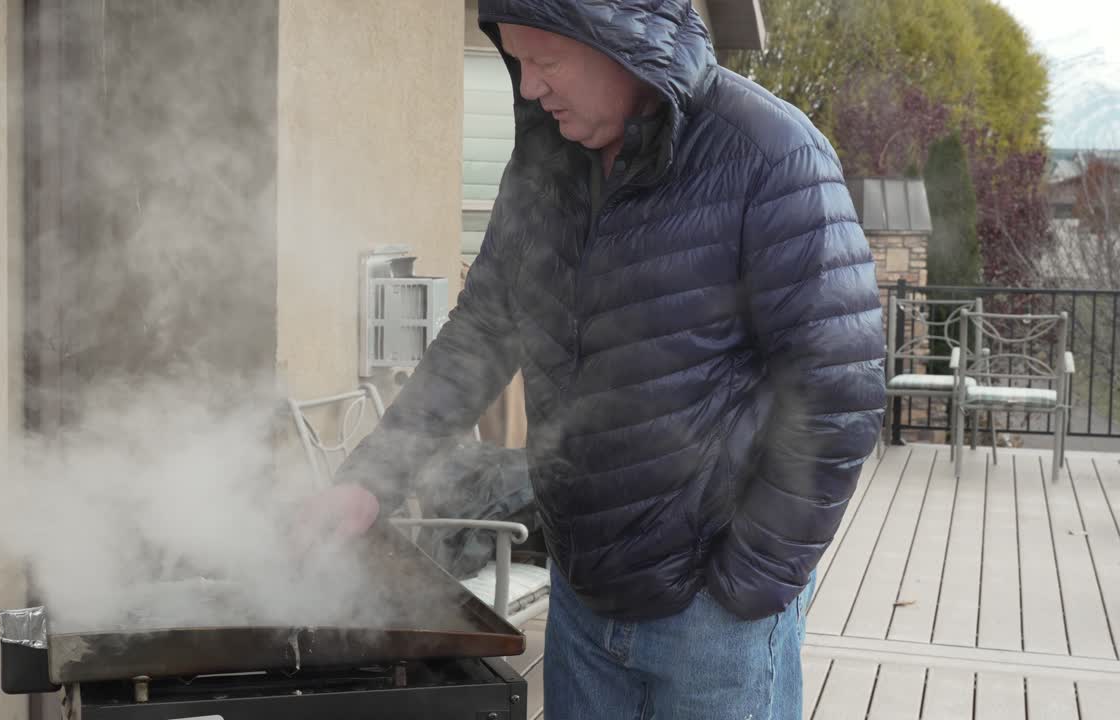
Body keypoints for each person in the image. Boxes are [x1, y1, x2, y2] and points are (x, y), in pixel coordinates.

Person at [330, 1, 886, 718]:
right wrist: (370, 481)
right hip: (581, 593)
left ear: (623, 44)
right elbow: (481, 333)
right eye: (516, 61)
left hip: (712, 617)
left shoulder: (771, 154)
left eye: (547, 62)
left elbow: (838, 390)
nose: (529, 88)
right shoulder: (544, 162)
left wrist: (747, 582)